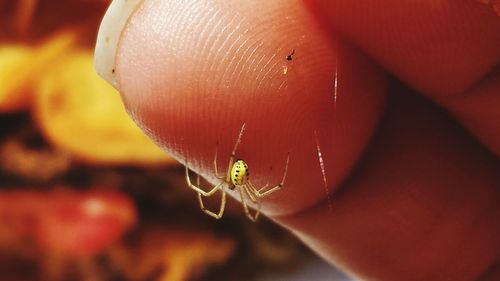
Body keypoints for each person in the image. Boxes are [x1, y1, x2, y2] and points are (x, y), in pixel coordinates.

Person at [94, 0, 500, 280]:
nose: (228, 191)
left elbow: (214, 191)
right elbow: (216, 195)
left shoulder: (237, 179)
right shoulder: (240, 182)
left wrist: (233, 173)